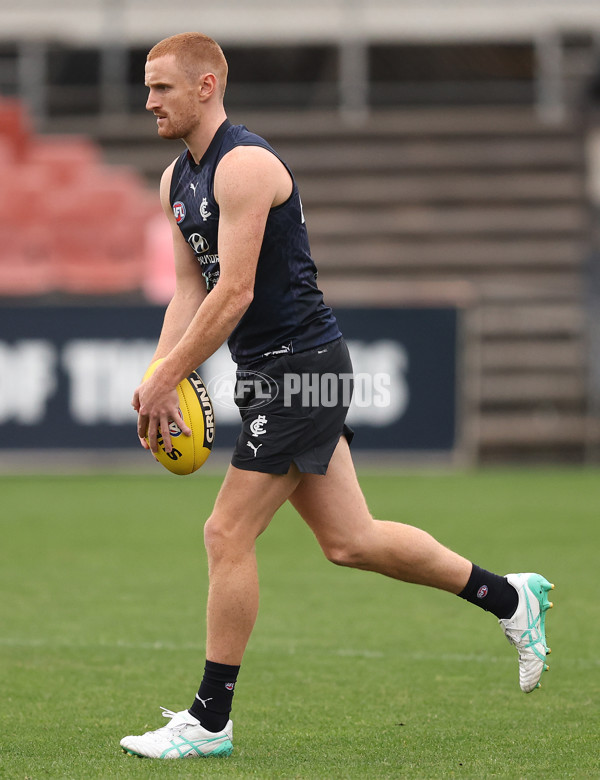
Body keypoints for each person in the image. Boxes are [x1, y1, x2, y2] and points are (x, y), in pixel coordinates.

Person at [121, 32, 554, 760]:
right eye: (146, 86)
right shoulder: (176, 180)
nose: (148, 100)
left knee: (225, 534)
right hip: (272, 371)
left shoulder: (247, 165)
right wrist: (158, 373)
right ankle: (510, 597)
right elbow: (190, 289)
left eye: (161, 86)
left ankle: (209, 721)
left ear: (205, 87)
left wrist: (169, 377)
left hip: (301, 368)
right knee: (351, 541)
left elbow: (235, 292)